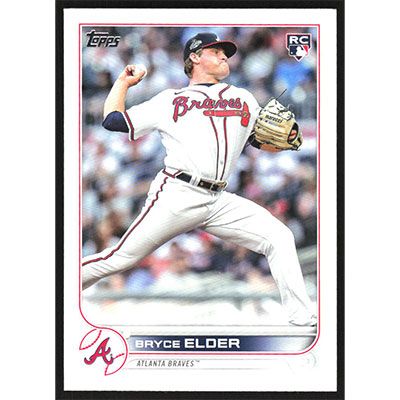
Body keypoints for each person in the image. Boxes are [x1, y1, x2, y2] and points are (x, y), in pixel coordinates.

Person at [82, 32, 316, 326]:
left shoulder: (243, 98)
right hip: (177, 194)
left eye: (225, 53)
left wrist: (285, 141)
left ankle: (302, 318)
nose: (223, 56)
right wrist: (122, 83)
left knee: (279, 237)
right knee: (119, 258)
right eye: (215, 51)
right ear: (194, 57)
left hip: (218, 199)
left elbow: (260, 141)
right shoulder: (170, 100)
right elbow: (113, 120)